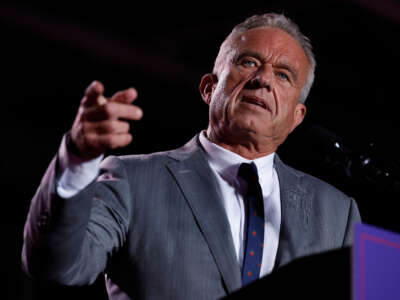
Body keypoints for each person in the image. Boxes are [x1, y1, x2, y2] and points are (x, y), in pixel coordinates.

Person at [22, 13, 361, 299]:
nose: (262, 80)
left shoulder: (338, 213)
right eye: (248, 62)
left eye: (283, 75)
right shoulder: (131, 180)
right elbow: (57, 266)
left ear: (297, 116)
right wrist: (79, 159)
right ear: (209, 88)